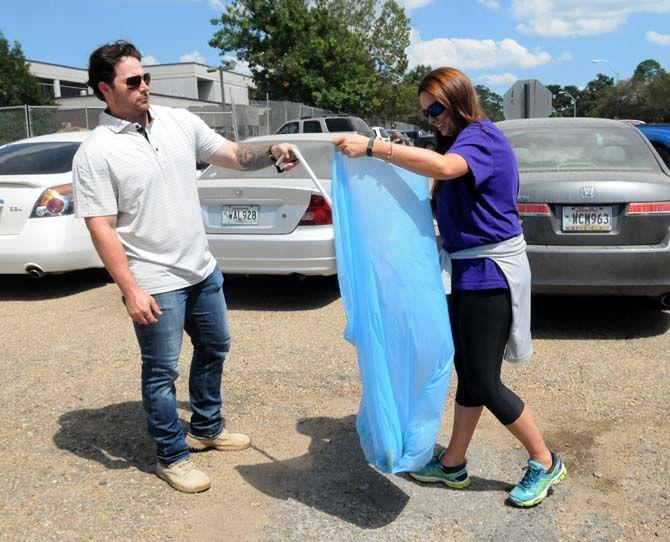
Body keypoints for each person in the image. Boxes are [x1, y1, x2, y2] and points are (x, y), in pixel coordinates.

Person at [333, 67, 566, 507]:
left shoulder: (482, 137)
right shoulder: (459, 140)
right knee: (470, 374)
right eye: (426, 114)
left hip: (491, 272)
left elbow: (443, 167)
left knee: (484, 378)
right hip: (466, 271)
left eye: (436, 109)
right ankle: (454, 464)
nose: (432, 119)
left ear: (458, 99)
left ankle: (544, 459)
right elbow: (434, 169)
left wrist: (373, 147)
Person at [72, 41, 298, 493]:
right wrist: (132, 290)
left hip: (202, 270)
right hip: (155, 282)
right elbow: (101, 228)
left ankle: (207, 427)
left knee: (216, 347)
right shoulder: (95, 153)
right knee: (161, 373)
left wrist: (272, 150)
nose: (144, 87)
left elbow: (233, 155)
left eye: (146, 78)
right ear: (104, 89)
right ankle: (171, 456)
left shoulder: (178, 122)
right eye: (132, 81)